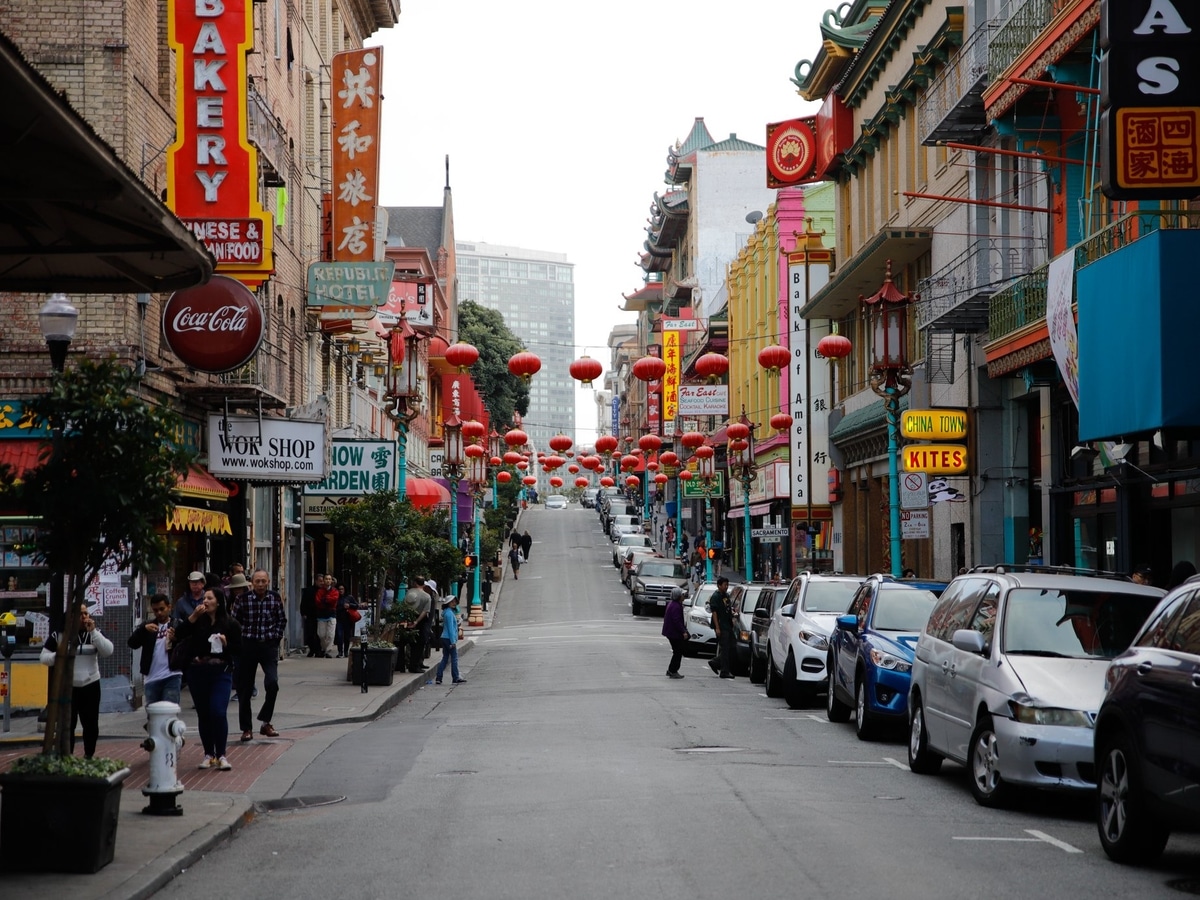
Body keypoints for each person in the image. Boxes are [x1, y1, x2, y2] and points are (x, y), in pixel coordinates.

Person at [173, 586, 240, 770]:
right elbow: (178, 635)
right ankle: (208, 753)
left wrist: (226, 644)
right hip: (197, 671)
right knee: (204, 713)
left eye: (209, 598)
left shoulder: (230, 623)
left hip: (221, 671)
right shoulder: (197, 621)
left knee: (218, 711)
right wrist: (192, 617)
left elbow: (238, 649)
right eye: (204, 598)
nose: (206, 601)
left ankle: (222, 754)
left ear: (218, 601)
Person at [40, 604, 113, 757]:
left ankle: (89, 756)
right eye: (82, 614)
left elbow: (108, 651)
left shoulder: (94, 633)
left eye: (87, 613)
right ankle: (68, 755)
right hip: (68, 686)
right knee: (68, 724)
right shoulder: (59, 635)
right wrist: (59, 656)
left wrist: (93, 632)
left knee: (91, 724)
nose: (86, 616)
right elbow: (44, 657)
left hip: (90, 684)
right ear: (71, 617)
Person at [230, 568, 286, 741]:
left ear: (268, 582)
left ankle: (265, 721)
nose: (261, 584)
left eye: (263, 581)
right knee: (244, 689)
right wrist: (239, 642)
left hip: (268, 646)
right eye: (257, 581)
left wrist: (275, 638)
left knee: (273, 683)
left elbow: (281, 620)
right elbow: (234, 622)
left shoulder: (274, 598)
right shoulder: (242, 599)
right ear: (251, 583)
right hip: (247, 646)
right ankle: (246, 728)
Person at [127, 593, 181, 707]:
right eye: (156, 610)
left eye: (162, 609)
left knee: (169, 712)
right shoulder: (148, 625)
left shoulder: (177, 624)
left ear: (169, 607)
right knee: (153, 716)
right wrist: (142, 629)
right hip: (151, 677)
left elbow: (186, 643)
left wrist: (176, 638)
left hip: (172, 675)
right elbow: (132, 643)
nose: (159, 613)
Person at [399, 577, 431, 672]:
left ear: (415, 583)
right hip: (421, 621)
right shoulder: (426, 596)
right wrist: (417, 621)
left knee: (406, 642)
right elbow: (425, 611)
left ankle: (403, 665)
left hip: (409, 619)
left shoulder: (409, 593)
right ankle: (415, 665)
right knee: (419, 644)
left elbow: (404, 607)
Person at [434, 596, 467, 685]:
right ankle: (455, 677)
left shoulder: (448, 612)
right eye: (452, 602)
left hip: (445, 638)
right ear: (447, 603)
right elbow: (450, 629)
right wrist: (453, 642)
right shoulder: (449, 614)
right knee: (454, 658)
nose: (454, 603)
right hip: (448, 638)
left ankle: (439, 677)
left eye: (455, 601)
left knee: (445, 658)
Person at [708, 576, 735, 679]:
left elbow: (728, 608)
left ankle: (715, 662)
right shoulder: (716, 596)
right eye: (725, 585)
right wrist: (717, 628)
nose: (726, 587)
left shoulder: (726, 595)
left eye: (727, 585)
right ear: (719, 585)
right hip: (721, 625)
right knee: (725, 648)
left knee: (731, 647)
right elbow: (714, 613)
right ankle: (724, 671)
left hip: (728, 625)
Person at [662, 587, 687, 679]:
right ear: (678, 596)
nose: (684, 596)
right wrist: (683, 631)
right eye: (682, 594)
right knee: (678, 651)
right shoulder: (675, 606)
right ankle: (673, 670)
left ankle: (671, 670)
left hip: (671, 632)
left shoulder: (674, 604)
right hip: (673, 633)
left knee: (677, 651)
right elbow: (677, 621)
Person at [313, 574, 339, 658]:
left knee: (331, 634)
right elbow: (318, 602)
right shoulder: (320, 591)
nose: (328, 580)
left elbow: (334, 600)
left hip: (331, 614)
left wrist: (325, 600)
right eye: (326, 579)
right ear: (324, 580)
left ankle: (328, 651)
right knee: (321, 634)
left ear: (331, 581)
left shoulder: (335, 591)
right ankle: (324, 649)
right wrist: (327, 600)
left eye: (329, 579)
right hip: (321, 615)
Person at [299, 572, 322, 657]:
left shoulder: (323, 591)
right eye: (320, 581)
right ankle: (312, 649)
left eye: (322, 581)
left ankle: (319, 650)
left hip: (321, 615)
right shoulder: (309, 590)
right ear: (315, 581)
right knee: (310, 634)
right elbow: (303, 602)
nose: (321, 583)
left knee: (320, 634)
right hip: (310, 615)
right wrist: (303, 613)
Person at [335, 584, 359, 658]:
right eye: (339, 589)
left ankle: (346, 651)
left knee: (347, 637)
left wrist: (349, 605)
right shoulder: (336, 597)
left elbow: (356, 605)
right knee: (339, 636)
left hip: (348, 620)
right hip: (339, 619)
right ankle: (340, 651)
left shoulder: (349, 597)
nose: (341, 591)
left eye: (342, 589)